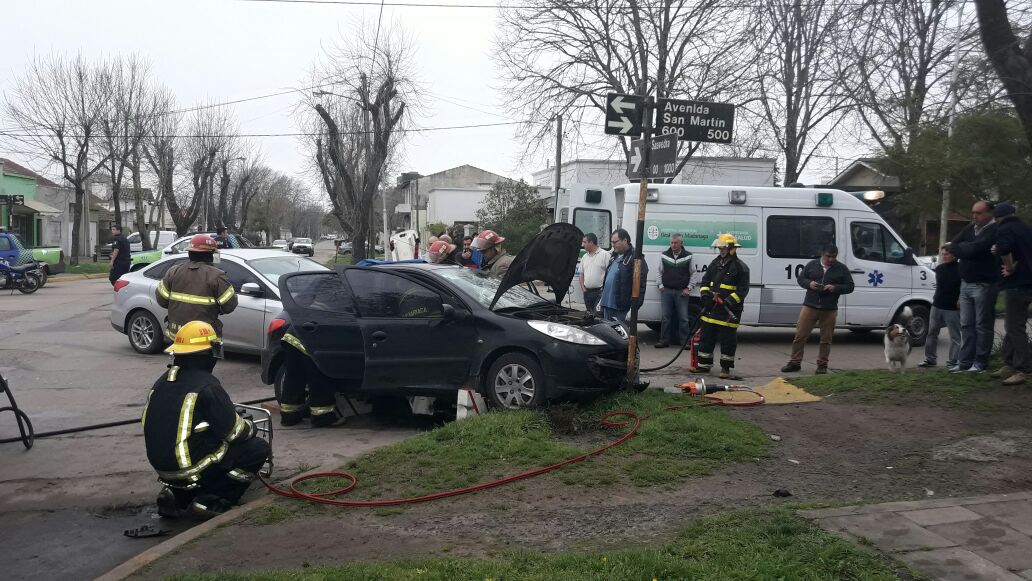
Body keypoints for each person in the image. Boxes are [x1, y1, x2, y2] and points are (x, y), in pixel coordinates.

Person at [143, 321, 271, 518]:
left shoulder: (162, 381)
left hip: (163, 468)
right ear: (207, 354)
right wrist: (249, 426)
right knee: (256, 449)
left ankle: (178, 496)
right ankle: (211, 501)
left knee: (201, 445)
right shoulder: (207, 385)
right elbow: (235, 433)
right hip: (190, 469)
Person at [780, 244, 855, 374]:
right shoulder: (812, 265)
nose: (831, 259)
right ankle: (795, 363)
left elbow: (850, 286)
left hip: (829, 309)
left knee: (826, 339)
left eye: (834, 257)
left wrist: (835, 288)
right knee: (800, 335)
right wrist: (810, 284)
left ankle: (822, 365)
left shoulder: (841, 269)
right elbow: (801, 279)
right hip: (810, 306)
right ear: (822, 254)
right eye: (828, 256)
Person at [155, 234, 238, 346]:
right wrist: (216, 309)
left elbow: (161, 300)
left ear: (190, 253)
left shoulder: (173, 271)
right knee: (201, 363)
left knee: (179, 362)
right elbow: (229, 305)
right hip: (202, 341)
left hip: (176, 337)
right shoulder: (216, 276)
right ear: (211, 255)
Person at [949, 200, 1000, 373]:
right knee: (966, 324)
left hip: (983, 284)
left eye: (978, 213)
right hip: (965, 283)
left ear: (989, 214)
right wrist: (965, 248)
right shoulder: (970, 228)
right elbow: (952, 246)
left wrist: (965, 248)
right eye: (973, 212)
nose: (974, 216)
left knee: (982, 325)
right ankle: (964, 362)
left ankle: (980, 362)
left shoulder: (994, 230)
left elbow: (974, 250)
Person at [692, 234, 749, 379]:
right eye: (720, 248)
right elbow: (705, 282)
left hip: (729, 312)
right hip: (712, 309)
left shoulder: (740, 267)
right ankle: (704, 366)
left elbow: (742, 291)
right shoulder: (715, 263)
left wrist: (729, 301)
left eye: (724, 248)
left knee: (727, 341)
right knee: (706, 338)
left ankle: (725, 369)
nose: (721, 250)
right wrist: (705, 297)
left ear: (731, 248)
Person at [990, 202, 1032, 385]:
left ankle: (1023, 369)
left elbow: (1005, 249)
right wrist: (1015, 264)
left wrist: (1009, 267)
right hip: (1028, 282)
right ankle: (1009, 363)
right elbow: (1024, 254)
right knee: (1012, 324)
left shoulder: (1004, 229)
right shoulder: (1025, 229)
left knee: (1015, 327)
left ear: (997, 218)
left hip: (1017, 284)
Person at [278, 325, 345, 427]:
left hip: (292, 338)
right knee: (320, 378)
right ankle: (323, 418)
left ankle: (289, 417)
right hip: (311, 340)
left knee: (293, 379)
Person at [917, 246, 962, 369]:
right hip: (937, 305)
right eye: (943, 254)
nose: (944, 256)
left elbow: (963, 288)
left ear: (954, 255)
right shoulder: (940, 269)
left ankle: (953, 361)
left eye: (947, 254)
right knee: (931, 333)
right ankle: (930, 359)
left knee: (955, 336)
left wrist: (960, 301)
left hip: (952, 308)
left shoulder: (961, 269)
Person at [598, 229, 647, 323]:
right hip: (607, 304)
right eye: (611, 242)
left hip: (620, 307)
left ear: (625, 240)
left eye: (615, 242)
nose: (613, 245)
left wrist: (634, 307)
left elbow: (640, 284)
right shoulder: (614, 256)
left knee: (619, 336)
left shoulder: (636, 258)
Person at [656, 233, 694, 348]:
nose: (673, 245)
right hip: (666, 291)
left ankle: (685, 342)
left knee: (683, 318)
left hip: (682, 292)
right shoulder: (664, 255)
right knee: (665, 318)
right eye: (671, 243)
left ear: (681, 243)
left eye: (675, 243)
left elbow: (693, 273)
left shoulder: (688, 256)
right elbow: (659, 272)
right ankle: (664, 341)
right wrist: (661, 286)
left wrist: (689, 288)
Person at [578, 233, 610, 313]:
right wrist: (583, 289)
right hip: (587, 293)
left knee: (597, 315)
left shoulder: (605, 255)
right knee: (589, 316)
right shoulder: (585, 257)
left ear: (591, 242)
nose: (583, 245)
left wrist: (604, 290)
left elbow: (610, 274)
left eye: (585, 242)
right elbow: (581, 274)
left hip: (600, 293)